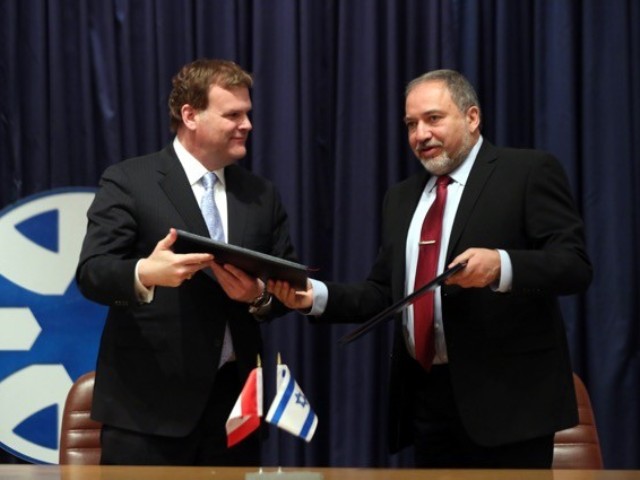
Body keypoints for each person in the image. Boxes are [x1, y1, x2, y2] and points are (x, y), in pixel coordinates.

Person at [269, 69, 592, 468]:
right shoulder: (401, 198)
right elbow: (383, 292)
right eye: (411, 124)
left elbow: (574, 266)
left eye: (433, 119)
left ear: (472, 118)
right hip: (427, 403)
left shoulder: (527, 171)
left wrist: (501, 266)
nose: (420, 134)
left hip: (509, 404)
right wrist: (312, 296)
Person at [76, 59, 298, 466]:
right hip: (147, 414)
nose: (246, 124)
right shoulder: (130, 180)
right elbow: (93, 272)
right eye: (233, 114)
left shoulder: (261, 195)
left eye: (247, 113)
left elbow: (287, 284)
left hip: (235, 411)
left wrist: (260, 296)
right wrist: (144, 272)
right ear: (190, 115)